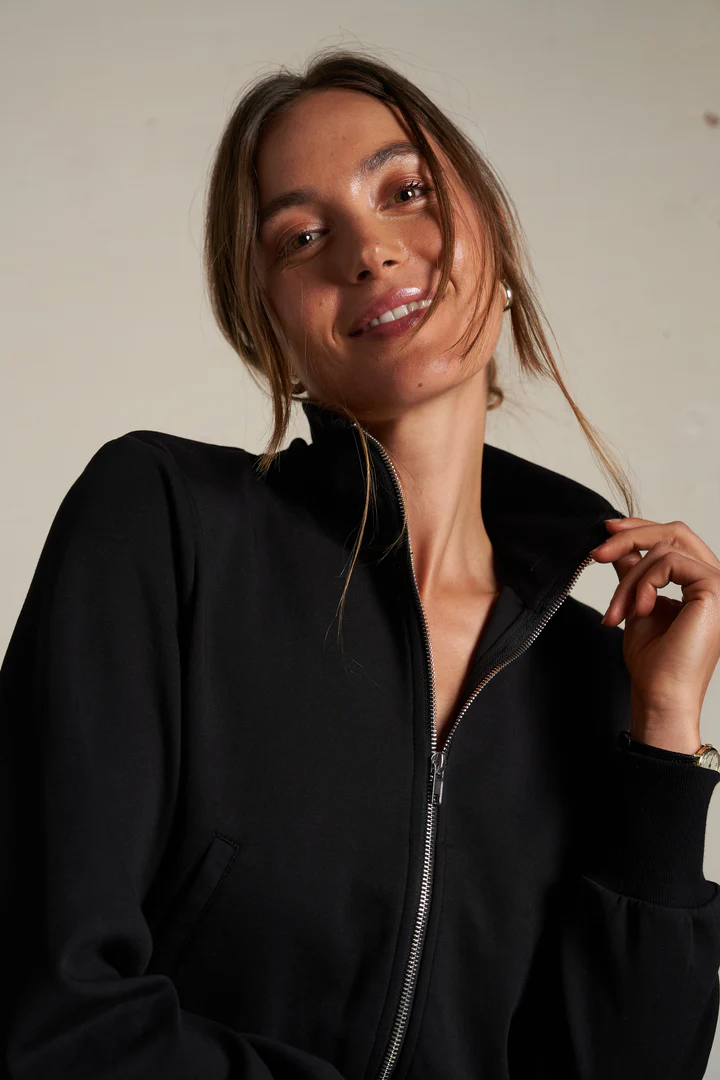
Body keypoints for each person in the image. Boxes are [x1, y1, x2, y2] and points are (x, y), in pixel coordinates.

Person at [2, 46, 720, 1080]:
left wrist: (662, 735)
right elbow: (49, 1011)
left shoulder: (591, 669)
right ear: (266, 322)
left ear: (494, 241)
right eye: (302, 236)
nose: (370, 251)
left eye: (406, 192)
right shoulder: (162, 526)